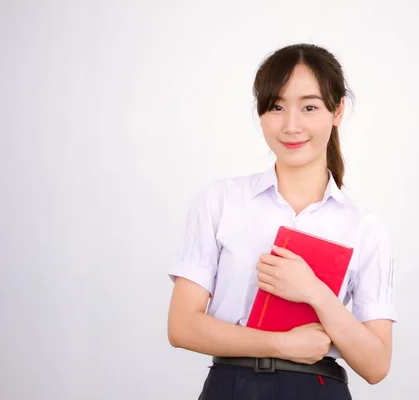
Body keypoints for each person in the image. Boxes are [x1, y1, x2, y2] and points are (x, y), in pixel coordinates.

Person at [167, 43, 398, 400]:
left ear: (337, 110)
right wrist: (283, 345)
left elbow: (376, 365)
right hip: (232, 387)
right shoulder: (220, 200)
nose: (291, 125)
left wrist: (316, 293)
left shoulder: (364, 227)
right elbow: (182, 327)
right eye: (276, 107)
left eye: (309, 107)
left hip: (319, 390)